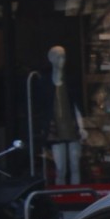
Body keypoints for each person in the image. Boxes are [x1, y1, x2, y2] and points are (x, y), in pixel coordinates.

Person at [37, 45, 86, 185]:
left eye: (63, 56)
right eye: (58, 57)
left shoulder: (70, 81)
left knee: (75, 166)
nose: (61, 60)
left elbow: (76, 105)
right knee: (60, 168)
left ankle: (77, 194)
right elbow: (41, 108)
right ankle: (61, 195)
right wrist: (42, 128)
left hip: (72, 128)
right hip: (55, 130)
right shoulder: (44, 82)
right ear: (51, 59)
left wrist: (82, 127)